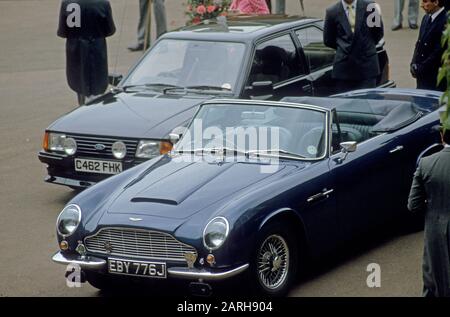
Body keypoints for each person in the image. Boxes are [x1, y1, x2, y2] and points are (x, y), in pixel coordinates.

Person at [408, 113, 450, 297]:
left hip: (435, 232)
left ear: (442, 136)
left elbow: (413, 205)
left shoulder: (426, 164)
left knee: (433, 279)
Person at [58, 0, 116, 106]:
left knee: (79, 81)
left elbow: (63, 31)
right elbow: (110, 30)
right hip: (96, 48)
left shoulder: (67, 3)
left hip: (75, 49)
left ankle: (82, 103)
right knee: (97, 83)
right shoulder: (102, 3)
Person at [323, 0, 384, 93]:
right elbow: (328, 40)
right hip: (344, 71)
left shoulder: (370, 7)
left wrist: (365, 46)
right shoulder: (332, 11)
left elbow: (378, 33)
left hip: (367, 68)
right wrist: (344, 48)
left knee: (367, 102)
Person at [410, 0, 447, 91]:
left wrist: (422, 68)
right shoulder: (426, 18)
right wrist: (413, 63)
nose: (422, 5)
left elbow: (438, 51)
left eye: (425, 1)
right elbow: (419, 44)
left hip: (434, 76)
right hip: (422, 75)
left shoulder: (445, 21)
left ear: (436, 2)